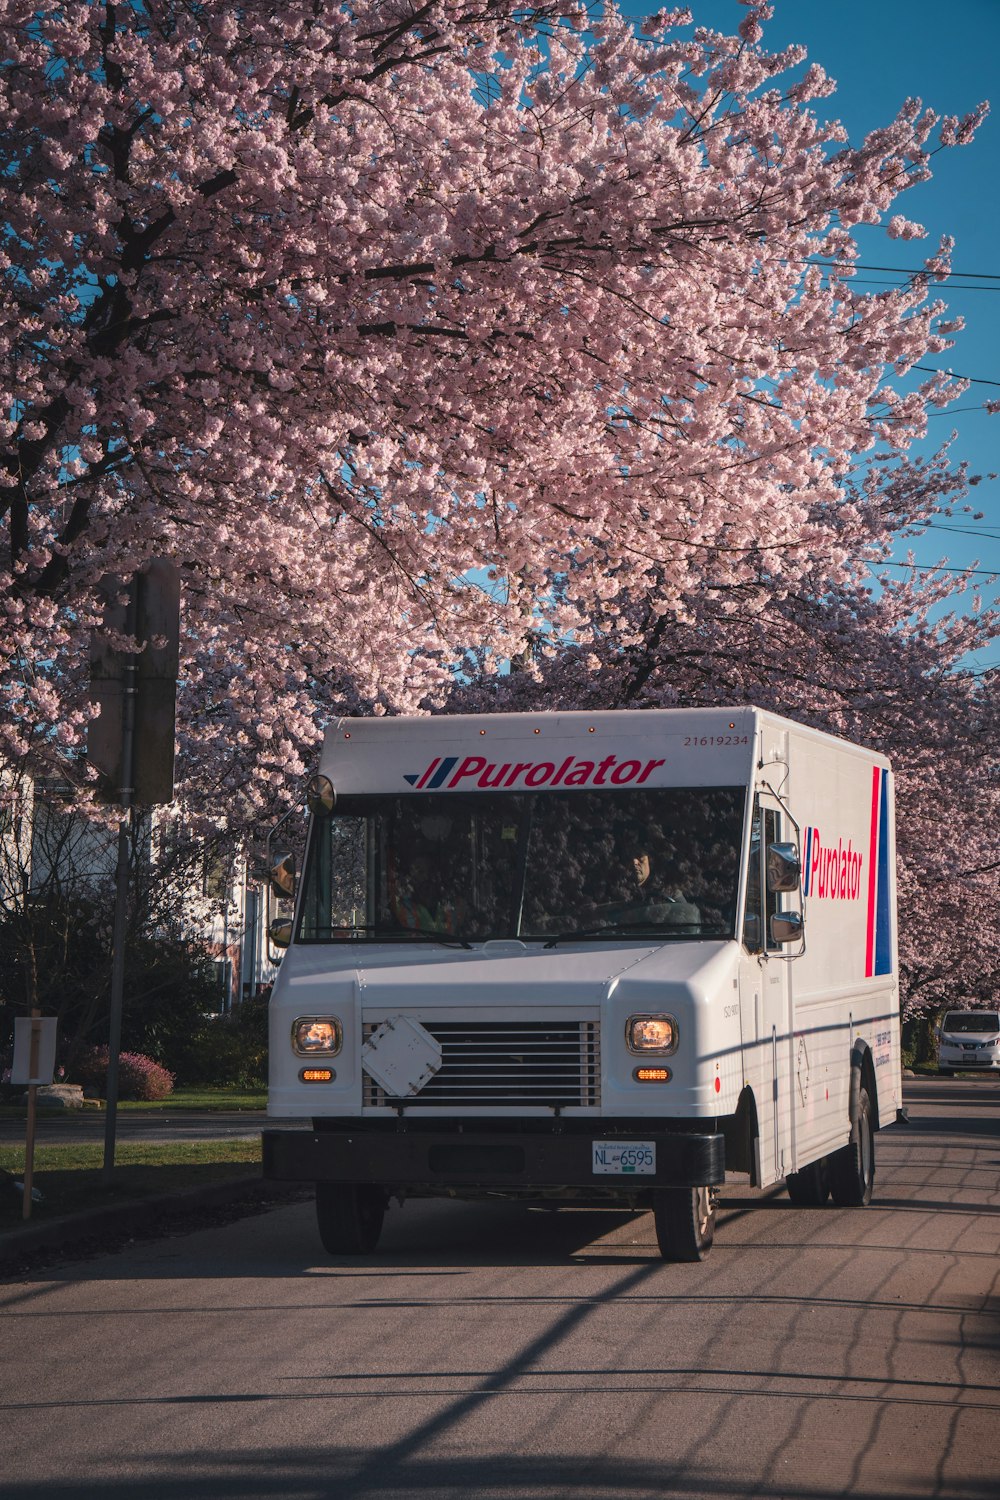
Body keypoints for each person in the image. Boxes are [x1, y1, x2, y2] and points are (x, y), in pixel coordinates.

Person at [630, 849, 701, 927]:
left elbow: (687, 925)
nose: (634, 862)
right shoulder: (616, 894)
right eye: (629, 858)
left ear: (650, 861)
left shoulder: (669, 892)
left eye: (640, 857)